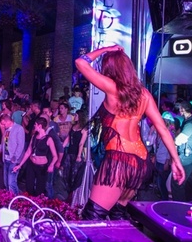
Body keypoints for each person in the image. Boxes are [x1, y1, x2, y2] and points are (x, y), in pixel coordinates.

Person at [74, 44, 185, 219]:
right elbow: (163, 129)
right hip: (140, 163)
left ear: (109, 68)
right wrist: (176, 160)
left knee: (92, 217)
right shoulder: (144, 94)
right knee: (118, 213)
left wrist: (105, 49)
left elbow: (81, 63)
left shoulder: (113, 88)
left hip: (119, 160)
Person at [13, 115, 58, 197]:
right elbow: (28, 152)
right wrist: (20, 165)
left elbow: (55, 156)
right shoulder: (34, 137)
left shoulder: (49, 139)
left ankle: (38, 202)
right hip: (31, 164)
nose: (34, 126)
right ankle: (29, 201)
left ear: (40, 126)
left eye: (35, 125)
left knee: (40, 189)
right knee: (29, 186)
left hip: (42, 167)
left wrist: (51, 165)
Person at [173, 100, 192, 201]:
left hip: (186, 156)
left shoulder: (191, 124)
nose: (178, 110)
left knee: (177, 182)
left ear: (183, 109)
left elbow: (178, 141)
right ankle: (189, 201)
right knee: (187, 181)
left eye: (180, 108)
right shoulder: (190, 121)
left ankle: (178, 206)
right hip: (189, 155)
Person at [0, 112, 26, 195]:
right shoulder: (7, 130)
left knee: (11, 182)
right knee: (6, 182)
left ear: (8, 121)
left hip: (14, 160)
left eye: (4, 124)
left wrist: (15, 157)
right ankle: (9, 198)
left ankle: (15, 199)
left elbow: (20, 145)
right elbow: (5, 143)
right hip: (6, 158)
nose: (3, 126)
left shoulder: (19, 128)